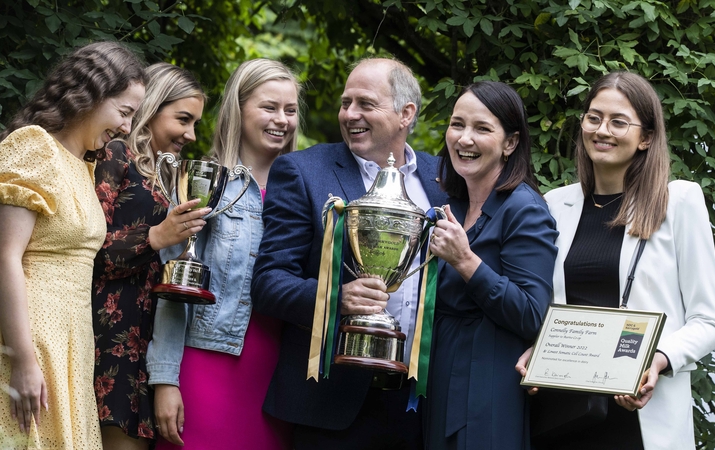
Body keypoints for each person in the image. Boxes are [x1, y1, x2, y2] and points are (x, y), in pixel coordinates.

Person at [515, 71, 715, 450]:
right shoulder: (553, 204)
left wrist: (659, 360)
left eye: (618, 122)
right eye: (593, 118)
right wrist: (538, 347)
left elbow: (708, 320)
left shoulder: (677, 202)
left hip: (640, 417)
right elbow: (546, 305)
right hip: (562, 414)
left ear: (646, 137)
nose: (602, 130)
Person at [250, 57, 448, 450]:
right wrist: (336, 299)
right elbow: (269, 281)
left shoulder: (443, 178)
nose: (349, 114)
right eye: (346, 103)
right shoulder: (302, 171)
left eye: (365, 104)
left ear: (406, 113)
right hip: (333, 407)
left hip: (421, 404)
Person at [147, 58, 301, 449]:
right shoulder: (203, 182)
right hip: (206, 363)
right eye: (269, 107)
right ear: (239, 108)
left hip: (279, 377)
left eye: (290, 109)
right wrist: (165, 379)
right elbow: (173, 286)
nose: (281, 119)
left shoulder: (309, 190)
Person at [0, 41, 146, 449]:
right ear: (92, 95)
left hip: (72, 343)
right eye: (124, 112)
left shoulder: (84, 165)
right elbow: (4, 257)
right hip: (29, 339)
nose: (126, 128)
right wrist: (22, 358)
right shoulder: (34, 146)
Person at [423, 81, 558, 450]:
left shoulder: (525, 209)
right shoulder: (454, 205)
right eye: (457, 124)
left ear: (510, 143)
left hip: (487, 386)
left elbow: (532, 314)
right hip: (441, 378)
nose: (464, 139)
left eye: (482, 128)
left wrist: (466, 261)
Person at [91, 62, 207, 450]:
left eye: (196, 124)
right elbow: (84, 249)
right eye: (183, 119)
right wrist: (156, 236)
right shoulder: (114, 154)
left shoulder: (170, 174)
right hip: (107, 341)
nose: (191, 134)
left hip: (148, 343)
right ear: (153, 106)